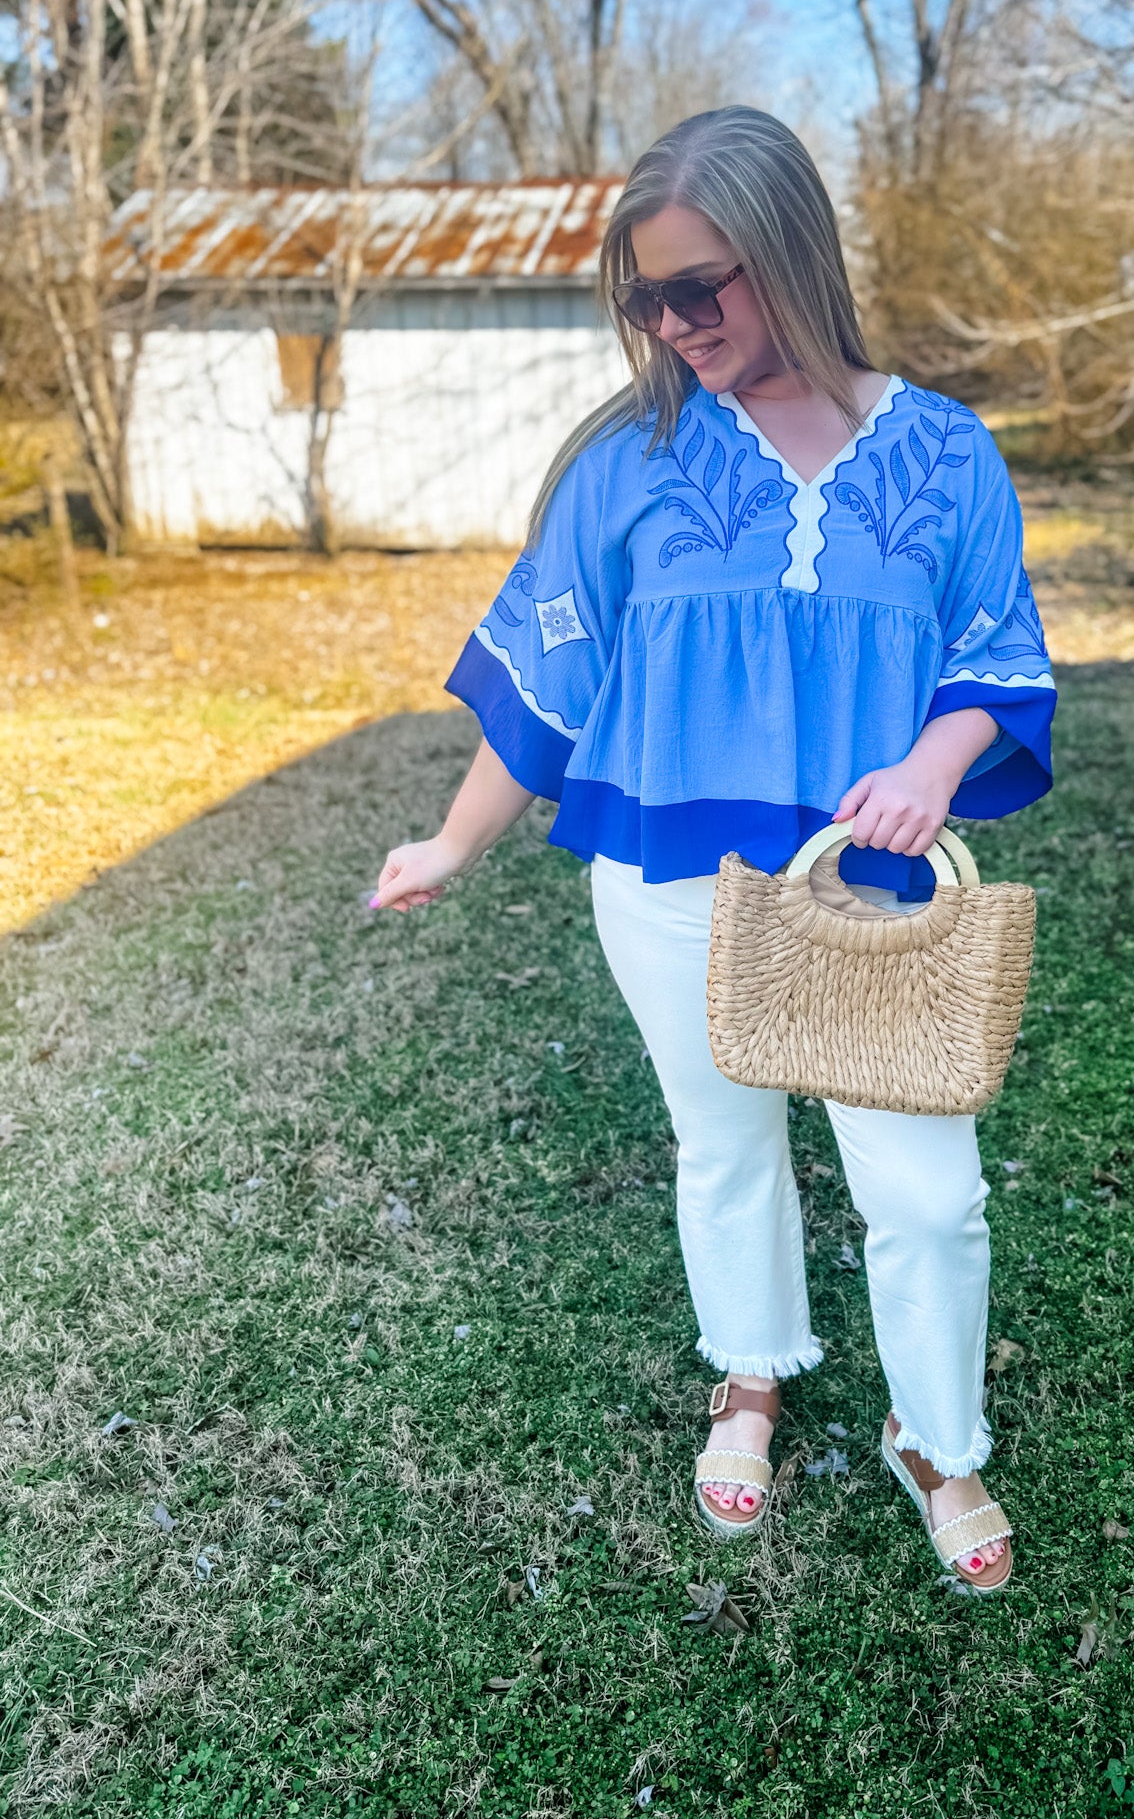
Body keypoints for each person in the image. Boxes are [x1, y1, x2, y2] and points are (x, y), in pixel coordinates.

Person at [372, 106, 1055, 1593]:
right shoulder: (632, 461)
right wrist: (453, 838)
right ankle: (750, 1376)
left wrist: (935, 765)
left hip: (869, 897)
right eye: (643, 296)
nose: (671, 323)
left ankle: (938, 1438)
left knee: (928, 1190)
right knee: (725, 1144)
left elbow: (999, 660)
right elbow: (547, 674)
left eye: (703, 287)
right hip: (669, 878)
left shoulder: (943, 453)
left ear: (796, 256)